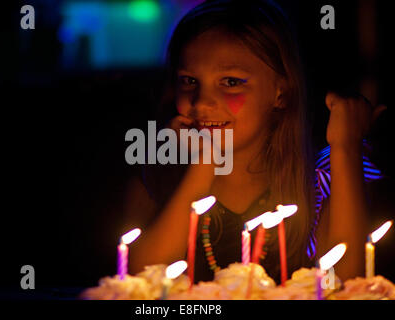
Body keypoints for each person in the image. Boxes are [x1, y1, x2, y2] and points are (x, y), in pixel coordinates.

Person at [122, 0, 386, 283]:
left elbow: (346, 282)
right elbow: (138, 282)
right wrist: (203, 168)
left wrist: (345, 148)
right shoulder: (158, 176)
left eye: (231, 82)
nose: (201, 101)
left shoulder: (321, 182)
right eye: (189, 80)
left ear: (280, 92)